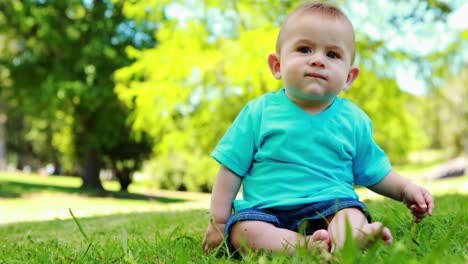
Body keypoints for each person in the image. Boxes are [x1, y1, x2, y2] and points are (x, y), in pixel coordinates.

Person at [202, 1, 434, 255]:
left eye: (332, 55)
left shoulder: (353, 120)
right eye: (304, 49)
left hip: (333, 206)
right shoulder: (258, 113)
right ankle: (306, 247)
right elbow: (230, 171)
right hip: (267, 212)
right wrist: (219, 222)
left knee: (350, 213)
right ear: (277, 65)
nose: (317, 60)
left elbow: (376, 171)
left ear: (349, 77)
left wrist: (406, 190)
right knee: (242, 231)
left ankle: (353, 239)